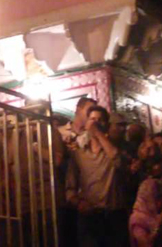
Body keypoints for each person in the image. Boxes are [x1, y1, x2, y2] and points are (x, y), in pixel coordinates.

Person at [65, 105, 129, 247]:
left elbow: (118, 161)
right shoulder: (78, 154)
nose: (95, 123)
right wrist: (79, 203)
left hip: (114, 216)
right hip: (89, 218)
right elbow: (70, 189)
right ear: (86, 123)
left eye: (100, 120)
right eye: (92, 119)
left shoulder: (115, 150)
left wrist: (98, 134)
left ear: (106, 125)